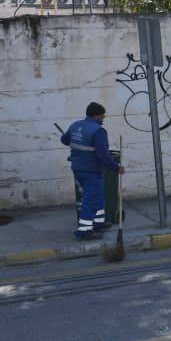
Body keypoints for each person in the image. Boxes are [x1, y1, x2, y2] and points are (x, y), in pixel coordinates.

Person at [61, 102, 123, 240]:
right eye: (102, 114)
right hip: (92, 170)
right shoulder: (98, 131)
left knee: (97, 196)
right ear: (96, 115)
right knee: (90, 199)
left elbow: (64, 140)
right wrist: (116, 167)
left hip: (78, 168)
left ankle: (99, 223)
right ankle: (84, 231)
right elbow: (103, 155)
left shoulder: (75, 125)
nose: (104, 117)